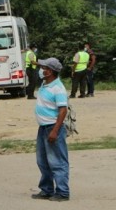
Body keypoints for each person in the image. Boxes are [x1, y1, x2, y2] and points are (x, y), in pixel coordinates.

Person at [31, 57, 70, 202]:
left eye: (45, 68)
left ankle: (63, 192)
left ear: (51, 72)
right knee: (42, 161)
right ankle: (46, 189)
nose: (42, 70)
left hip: (53, 127)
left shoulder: (57, 88)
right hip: (43, 127)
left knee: (57, 161)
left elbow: (63, 110)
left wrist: (55, 130)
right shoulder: (45, 84)